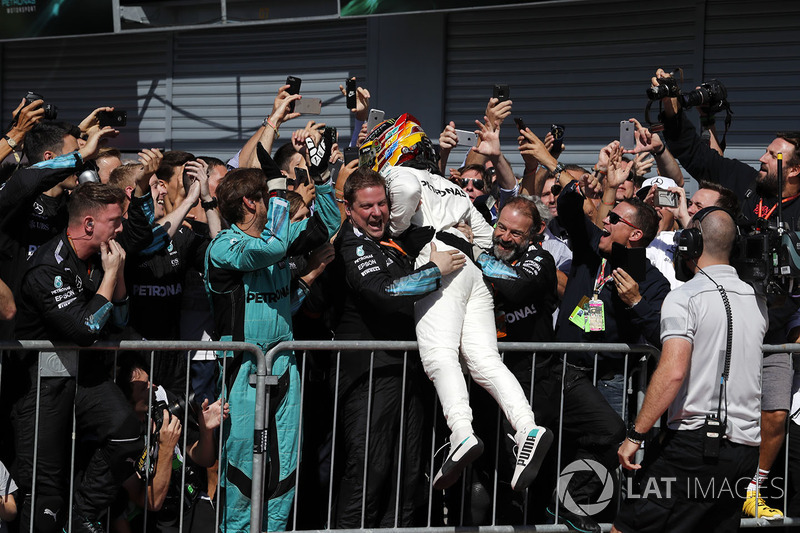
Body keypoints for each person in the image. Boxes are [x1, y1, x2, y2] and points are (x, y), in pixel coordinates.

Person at [363, 113, 552, 493]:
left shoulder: (404, 176)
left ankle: (462, 432)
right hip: (472, 268)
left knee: (439, 355)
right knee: (484, 360)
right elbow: (483, 240)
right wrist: (458, 237)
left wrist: (404, 229)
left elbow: (402, 193)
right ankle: (527, 426)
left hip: (439, 263)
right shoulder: (454, 190)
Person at [653, 67, 800, 518]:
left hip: (779, 330)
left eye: (772, 155)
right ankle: (697, 487)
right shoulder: (743, 184)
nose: (761, 158)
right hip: (730, 320)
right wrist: (671, 102)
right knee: (705, 408)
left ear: (794, 168)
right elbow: (691, 151)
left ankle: (754, 487)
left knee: (773, 411)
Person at [204, 144, 340, 532]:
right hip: (243, 371)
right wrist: (281, 192)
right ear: (251, 203)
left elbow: (325, 225)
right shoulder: (224, 247)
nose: (274, 204)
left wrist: (323, 176)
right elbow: (273, 248)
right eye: (267, 199)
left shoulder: (272, 239)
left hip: (284, 367)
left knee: (283, 471)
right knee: (244, 468)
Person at [613, 207, 767, 532]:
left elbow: (673, 371)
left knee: (627, 528)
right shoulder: (757, 299)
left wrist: (635, 435)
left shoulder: (684, 297)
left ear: (690, 244)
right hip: (745, 451)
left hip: (692, 447)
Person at [328, 168, 464, 527]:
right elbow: (383, 293)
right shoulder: (352, 244)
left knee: (409, 473)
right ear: (349, 209)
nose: (377, 213)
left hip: (407, 373)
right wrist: (434, 271)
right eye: (366, 206)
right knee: (368, 471)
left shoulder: (392, 239)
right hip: (369, 373)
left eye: (382, 204)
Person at [11, 183, 147, 533]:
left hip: (84, 378)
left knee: (128, 437)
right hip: (41, 385)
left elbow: (118, 321)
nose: (121, 229)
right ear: (89, 224)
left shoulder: (101, 258)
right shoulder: (47, 266)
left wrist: (115, 277)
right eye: (115, 222)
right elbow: (85, 331)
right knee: (45, 492)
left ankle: (83, 514)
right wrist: (113, 273)